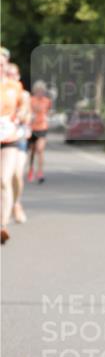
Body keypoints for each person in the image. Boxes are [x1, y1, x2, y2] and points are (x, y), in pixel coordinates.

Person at [1, 48, 24, 242]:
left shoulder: (14, 86)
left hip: (10, 138)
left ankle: (3, 225)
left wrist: (20, 116)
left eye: (1, 64)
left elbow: (23, 107)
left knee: (4, 179)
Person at [6, 63, 31, 224]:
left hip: (18, 138)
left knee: (16, 174)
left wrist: (19, 116)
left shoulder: (23, 95)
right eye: (8, 74)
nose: (11, 77)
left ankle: (16, 204)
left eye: (14, 74)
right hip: (3, 138)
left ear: (19, 76)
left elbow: (26, 116)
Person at [28, 80, 52, 183]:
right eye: (38, 91)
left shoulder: (47, 101)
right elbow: (27, 111)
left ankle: (40, 172)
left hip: (42, 127)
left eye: (42, 91)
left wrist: (48, 116)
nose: (40, 93)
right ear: (35, 91)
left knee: (40, 149)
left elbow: (49, 112)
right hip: (32, 127)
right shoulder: (31, 100)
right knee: (33, 151)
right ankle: (31, 169)